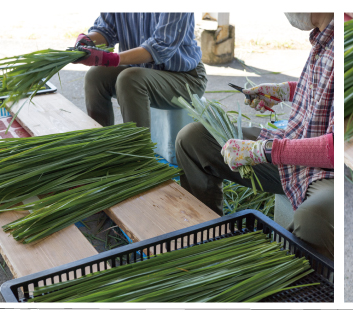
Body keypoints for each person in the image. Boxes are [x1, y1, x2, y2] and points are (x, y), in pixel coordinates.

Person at [175, 13, 335, 260]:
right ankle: (207, 241)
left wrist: (262, 151)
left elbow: (334, 148)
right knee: (193, 138)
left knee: (313, 218)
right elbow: (320, 90)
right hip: (292, 140)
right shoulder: (322, 38)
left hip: (323, 169)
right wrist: (282, 91)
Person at [72, 13, 207, 127]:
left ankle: (138, 155)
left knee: (130, 79)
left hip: (185, 78)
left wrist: (111, 59)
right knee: (95, 76)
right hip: (140, 69)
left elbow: (160, 47)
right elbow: (106, 29)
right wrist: (88, 41)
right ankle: (103, 148)